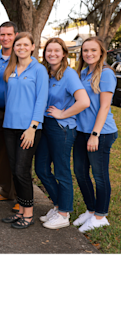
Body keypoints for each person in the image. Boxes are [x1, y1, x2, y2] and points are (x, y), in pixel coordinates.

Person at [34, 37, 89, 230]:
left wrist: (63, 114)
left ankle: (64, 214)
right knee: (41, 169)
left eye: (56, 50)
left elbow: (84, 101)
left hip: (62, 128)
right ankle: (58, 206)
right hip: (45, 125)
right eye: (49, 50)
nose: (52, 54)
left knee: (61, 170)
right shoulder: (46, 73)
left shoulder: (69, 74)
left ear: (64, 53)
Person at [1, 31, 49, 229]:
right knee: (14, 170)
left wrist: (33, 127)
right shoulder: (10, 68)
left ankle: (28, 214)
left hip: (28, 129)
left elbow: (41, 99)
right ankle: (20, 210)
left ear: (32, 47)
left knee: (22, 170)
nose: (21, 48)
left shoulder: (39, 70)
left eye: (25, 45)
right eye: (18, 45)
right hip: (9, 126)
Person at [72, 36, 118, 233]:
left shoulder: (106, 74)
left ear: (101, 53)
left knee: (99, 175)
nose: (89, 54)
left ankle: (100, 216)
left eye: (93, 50)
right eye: (85, 50)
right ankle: (91, 210)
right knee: (80, 173)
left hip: (101, 133)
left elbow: (105, 106)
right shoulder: (82, 73)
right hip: (81, 131)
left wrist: (95, 134)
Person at [0, 21, 18, 206]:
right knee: (0, 153)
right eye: (2, 34)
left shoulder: (22, 57)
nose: (5, 38)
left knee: (17, 155)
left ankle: (20, 195)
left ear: (16, 36)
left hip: (16, 112)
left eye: (9, 34)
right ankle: (6, 190)